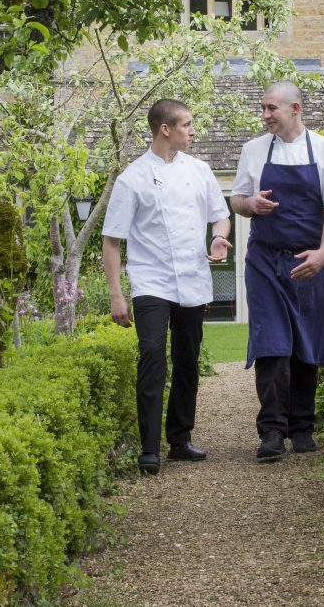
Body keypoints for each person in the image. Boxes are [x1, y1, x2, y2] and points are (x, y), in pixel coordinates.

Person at [102, 98, 231, 475]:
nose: (193, 131)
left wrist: (219, 239)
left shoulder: (200, 170)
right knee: (153, 356)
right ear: (166, 129)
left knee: (188, 360)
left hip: (192, 278)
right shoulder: (133, 179)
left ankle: (180, 439)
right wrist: (115, 294)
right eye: (187, 125)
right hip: (151, 282)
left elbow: (219, 217)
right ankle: (149, 447)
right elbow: (111, 241)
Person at [230, 81, 324, 461]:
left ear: (295, 108)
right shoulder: (252, 150)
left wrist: (323, 253)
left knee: (307, 344)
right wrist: (249, 203)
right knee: (272, 344)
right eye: (263, 108)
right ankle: (271, 431)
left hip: (310, 262)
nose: (264, 115)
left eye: (271, 108)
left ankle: (302, 428)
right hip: (265, 261)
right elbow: (236, 200)